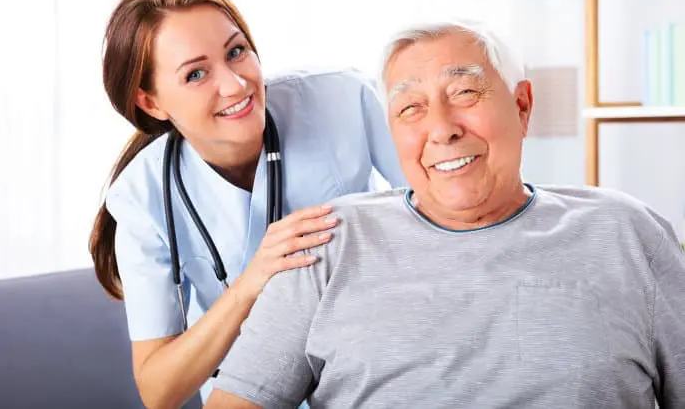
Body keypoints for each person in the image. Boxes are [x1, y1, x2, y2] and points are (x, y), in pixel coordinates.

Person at [206, 20, 685, 408]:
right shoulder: (327, 243)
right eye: (410, 108)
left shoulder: (625, 231)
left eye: (464, 94)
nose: (441, 129)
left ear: (522, 107)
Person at [88, 0, 406, 408]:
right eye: (195, 74)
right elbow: (158, 390)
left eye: (236, 51)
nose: (236, 85)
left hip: (378, 370)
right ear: (151, 103)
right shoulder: (142, 198)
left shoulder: (341, 98)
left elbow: (441, 207)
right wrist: (249, 285)